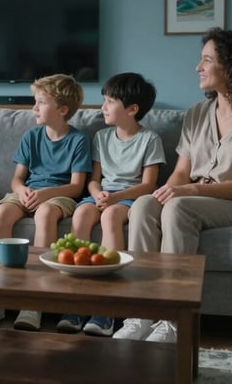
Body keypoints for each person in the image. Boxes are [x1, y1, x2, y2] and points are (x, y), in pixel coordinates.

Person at [114, 27, 232, 343]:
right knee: (145, 205)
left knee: (179, 208)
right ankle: (140, 312)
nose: (198, 67)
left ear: (231, 66)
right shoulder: (196, 114)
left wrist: (187, 191)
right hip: (194, 196)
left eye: (206, 60)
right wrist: (162, 192)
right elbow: (181, 173)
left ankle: (174, 320)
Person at [0, 74, 91, 332]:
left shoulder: (78, 141)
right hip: (29, 191)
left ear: (62, 110)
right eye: (35, 102)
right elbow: (16, 179)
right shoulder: (31, 137)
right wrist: (23, 190)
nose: (34, 108)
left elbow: (76, 186)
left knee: (45, 214)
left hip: (59, 195)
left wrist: (46, 194)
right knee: (3, 212)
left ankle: (35, 300)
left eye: (40, 102)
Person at [57, 72, 165, 337]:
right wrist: (96, 194)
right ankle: (77, 302)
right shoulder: (101, 137)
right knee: (81, 215)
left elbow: (148, 185)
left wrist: (114, 198)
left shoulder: (150, 139)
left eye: (109, 101)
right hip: (101, 195)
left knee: (110, 218)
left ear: (132, 109)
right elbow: (94, 180)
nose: (102, 107)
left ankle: (106, 309)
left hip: (129, 197)